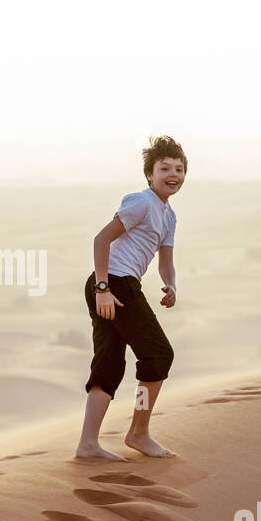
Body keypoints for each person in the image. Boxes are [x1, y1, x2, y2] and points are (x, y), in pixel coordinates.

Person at [74, 135, 184, 459]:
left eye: (179, 168)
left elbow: (166, 263)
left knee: (109, 364)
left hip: (115, 284)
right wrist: (103, 289)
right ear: (150, 174)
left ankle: (88, 445)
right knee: (159, 355)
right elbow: (101, 240)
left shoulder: (169, 216)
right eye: (164, 168)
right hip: (114, 283)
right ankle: (138, 432)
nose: (172, 174)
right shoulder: (141, 202)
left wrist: (171, 284)